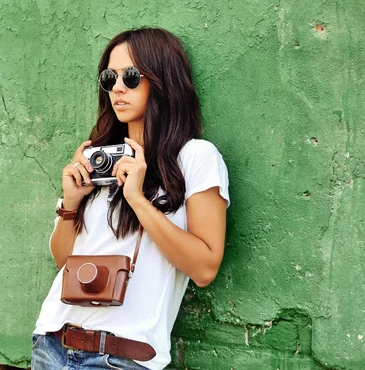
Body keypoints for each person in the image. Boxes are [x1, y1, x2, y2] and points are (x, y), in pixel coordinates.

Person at [32, 27, 230, 370]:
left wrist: (138, 199)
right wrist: (70, 205)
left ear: (162, 80)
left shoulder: (195, 157)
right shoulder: (99, 158)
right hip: (53, 344)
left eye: (132, 76)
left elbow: (204, 267)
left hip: (122, 357)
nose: (118, 87)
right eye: (110, 78)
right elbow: (63, 260)